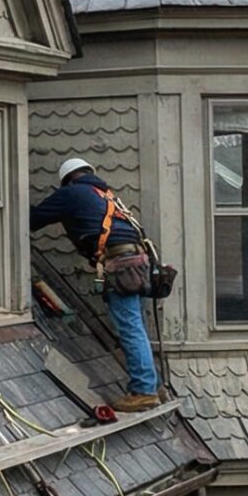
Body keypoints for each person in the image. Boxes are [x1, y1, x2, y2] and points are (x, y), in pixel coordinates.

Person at [29, 157, 162, 410]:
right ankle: (155, 385)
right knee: (137, 326)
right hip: (139, 263)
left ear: (67, 180)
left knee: (130, 328)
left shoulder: (71, 193)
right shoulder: (106, 195)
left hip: (121, 265)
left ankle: (145, 391)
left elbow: (32, 219)